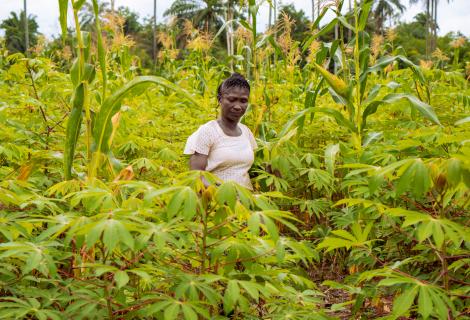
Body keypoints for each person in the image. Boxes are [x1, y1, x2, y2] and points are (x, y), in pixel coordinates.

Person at [184, 73, 257, 190]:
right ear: (220, 99)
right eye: (232, 100)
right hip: (215, 201)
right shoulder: (207, 131)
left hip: (246, 201)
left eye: (243, 101)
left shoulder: (246, 132)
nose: (238, 106)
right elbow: (196, 176)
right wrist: (226, 192)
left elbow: (247, 170)